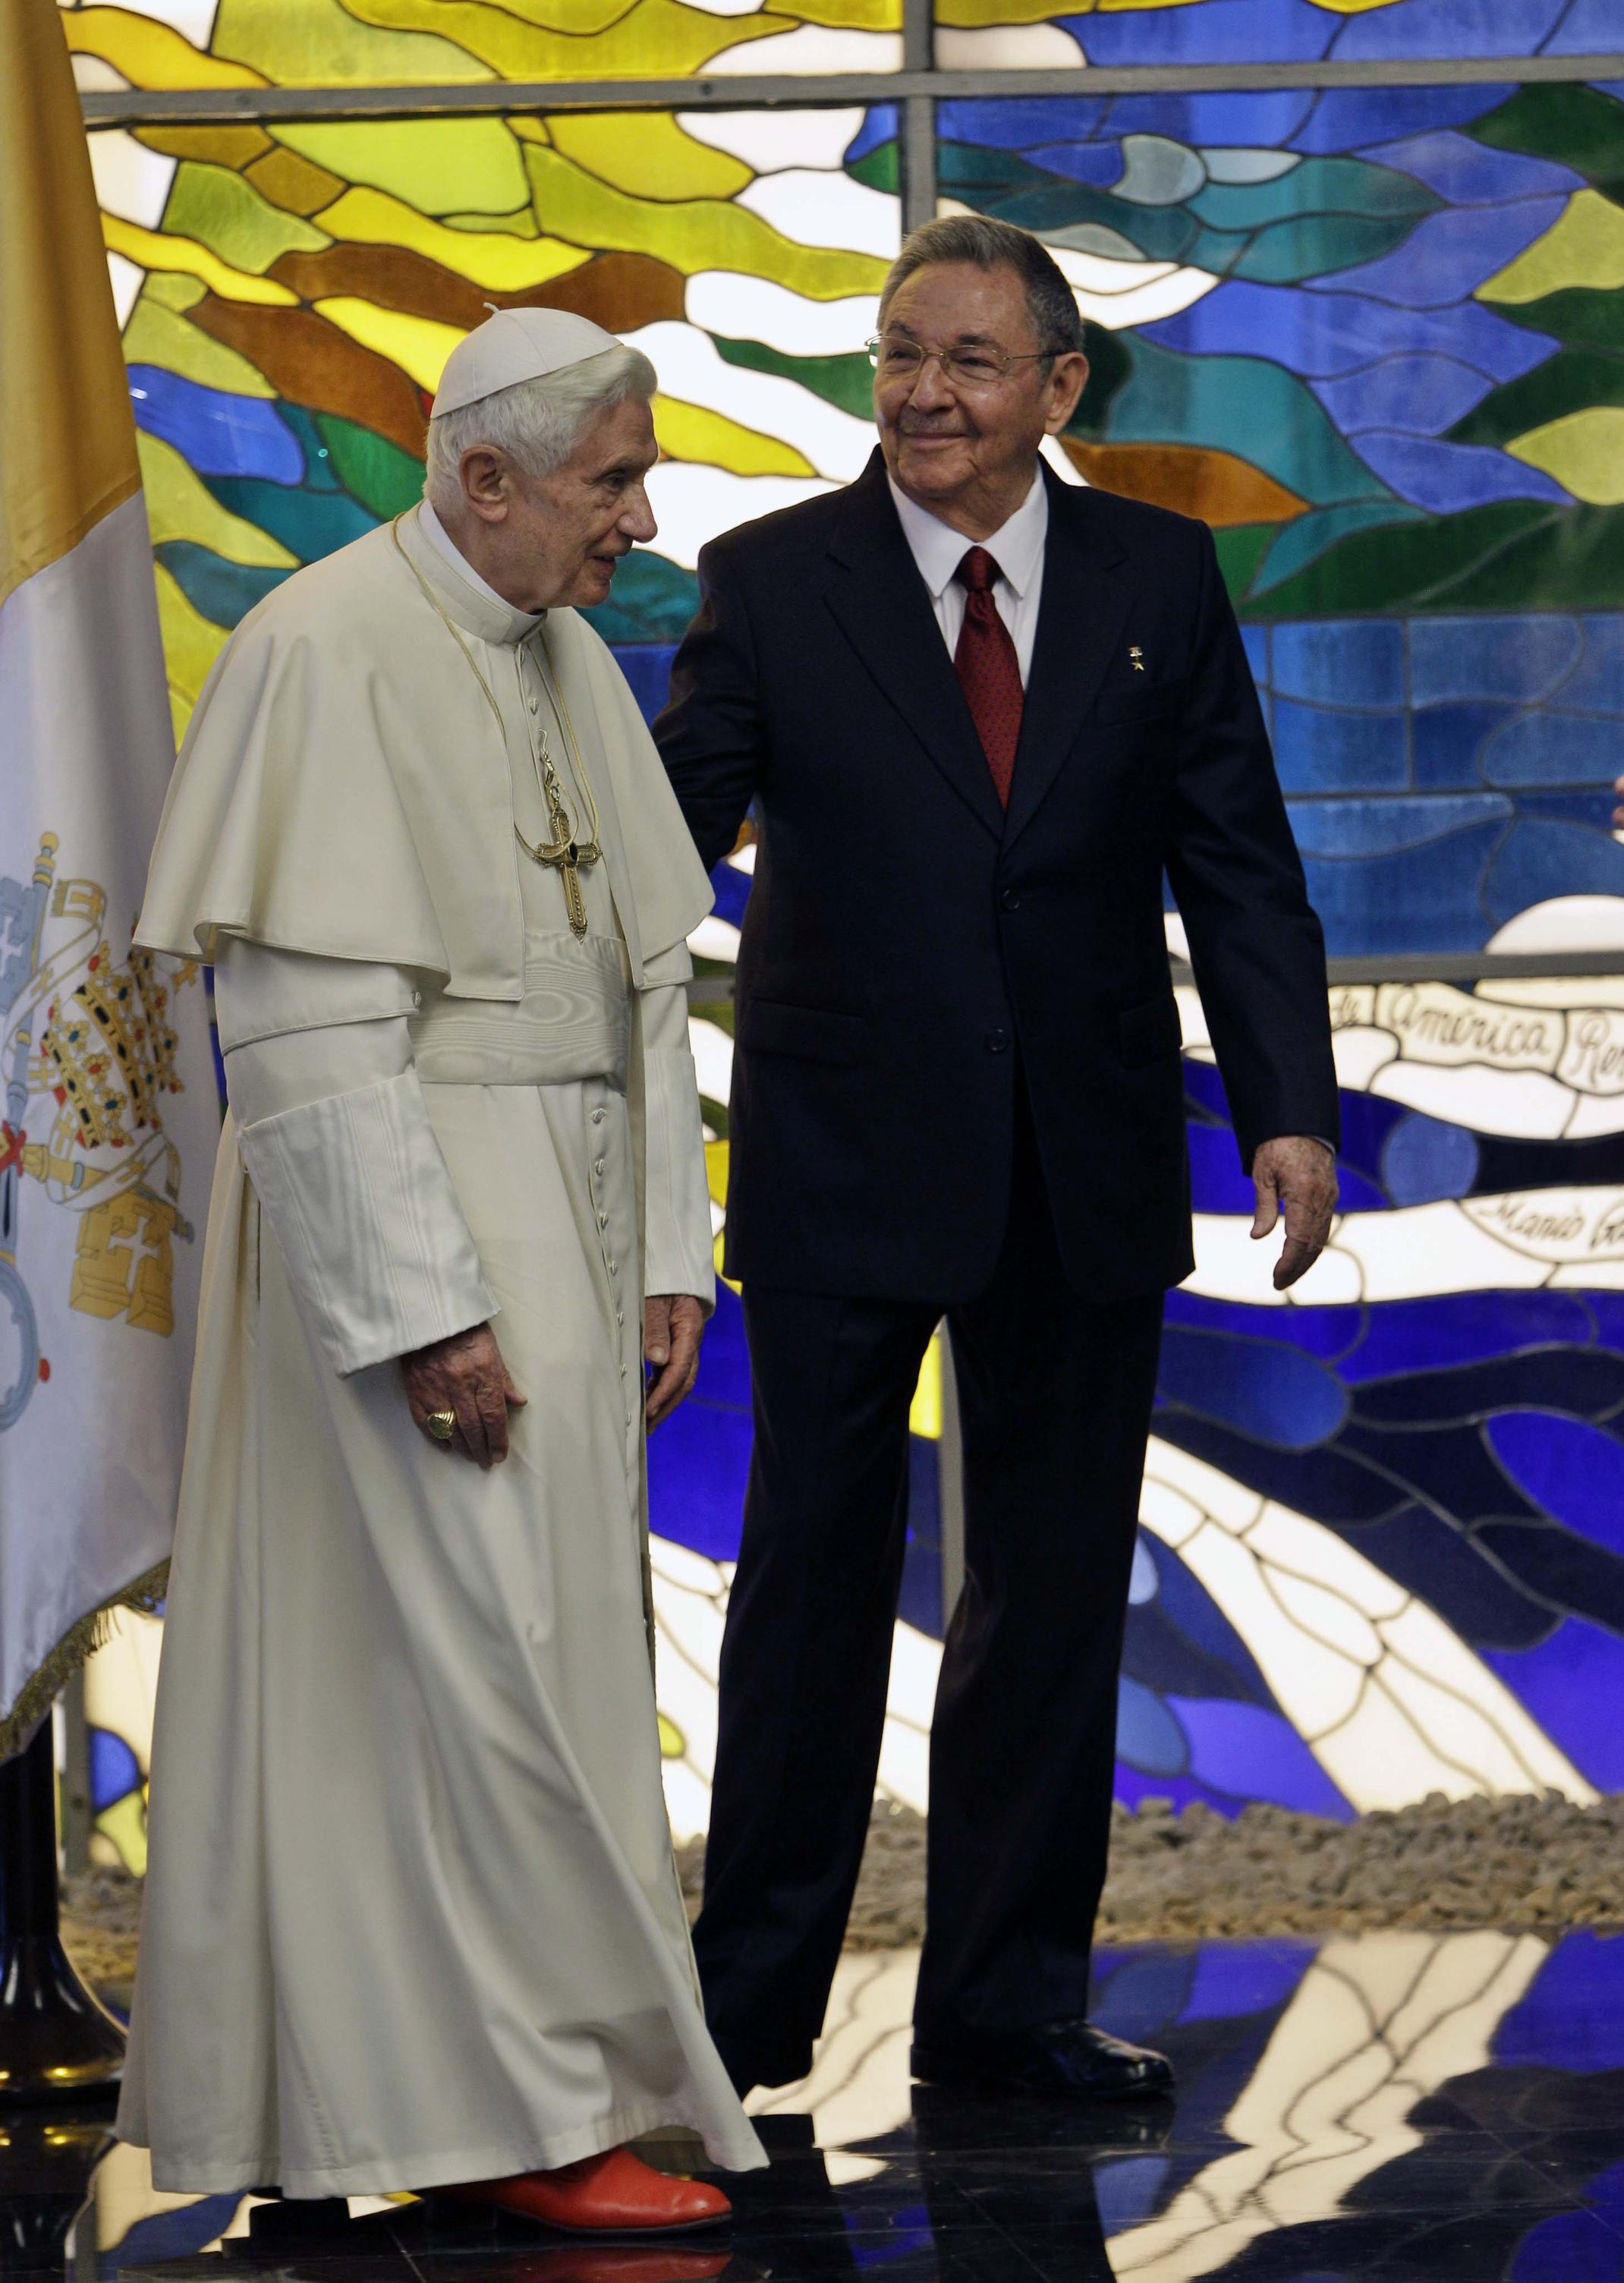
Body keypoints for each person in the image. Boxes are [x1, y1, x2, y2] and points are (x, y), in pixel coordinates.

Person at [655, 216, 1341, 2102]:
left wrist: (1288, 1104)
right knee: (807, 1576)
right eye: (895, 355)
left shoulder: (1156, 575)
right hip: (840, 1157)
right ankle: (746, 2015)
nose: (920, 394)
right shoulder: (770, 579)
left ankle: (1005, 2010)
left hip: (1082, 1159)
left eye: (964, 362)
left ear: (1057, 390)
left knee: (1042, 1594)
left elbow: (1236, 859)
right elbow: (656, 851)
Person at [121, 308, 767, 2228]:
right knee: (475, 1663)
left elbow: (642, 986)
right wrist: (423, 1310)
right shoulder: (322, 650)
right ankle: (547, 2108)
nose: (637, 523)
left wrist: (665, 1246)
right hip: (411, 1234)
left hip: (558, 1220)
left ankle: (431, 2114)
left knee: (509, 1661)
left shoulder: (554, 650)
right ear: (481, 478)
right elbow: (310, 1032)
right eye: (611, 481)